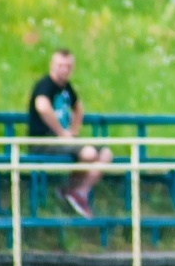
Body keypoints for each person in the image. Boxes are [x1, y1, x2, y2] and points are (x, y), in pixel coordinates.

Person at [27, 48, 113, 219]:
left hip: (63, 141)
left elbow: (79, 107)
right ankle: (69, 189)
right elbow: (42, 106)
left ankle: (79, 192)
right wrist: (61, 132)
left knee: (105, 153)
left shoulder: (67, 88)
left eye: (68, 66)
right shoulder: (44, 85)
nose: (64, 70)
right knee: (88, 153)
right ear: (52, 65)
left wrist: (74, 130)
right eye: (61, 65)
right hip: (44, 141)